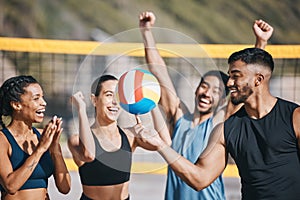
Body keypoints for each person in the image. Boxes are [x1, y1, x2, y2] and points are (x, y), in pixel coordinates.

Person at [139, 11, 274, 200]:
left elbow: (249, 79)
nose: (207, 93)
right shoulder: (179, 117)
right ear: (196, 89)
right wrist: (146, 31)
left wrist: (261, 43)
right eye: (204, 86)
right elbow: (159, 70)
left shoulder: (220, 122)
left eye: (217, 91)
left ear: (223, 99)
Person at [135, 47, 300, 200]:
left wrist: (261, 43)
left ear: (258, 80)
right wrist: (160, 146)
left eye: (235, 76)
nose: (229, 83)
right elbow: (200, 178)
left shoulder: (295, 117)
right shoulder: (225, 130)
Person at [68, 75, 157, 200]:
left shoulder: (130, 135)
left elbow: (163, 144)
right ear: (94, 100)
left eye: (118, 96)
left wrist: (150, 102)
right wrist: (81, 109)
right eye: (109, 95)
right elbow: (88, 154)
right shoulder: (76, 141)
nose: (115, 101)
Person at [0, 75, 71, 200]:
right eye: (36, 98)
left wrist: (55, 149)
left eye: (42, 97)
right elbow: (10, 186)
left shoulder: (44, 136)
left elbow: (65, 188)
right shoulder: (3, 139)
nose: (43, 103)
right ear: (16, 105)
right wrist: (40, 149)